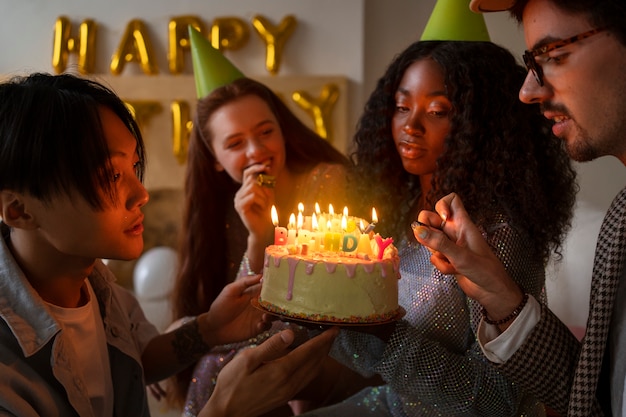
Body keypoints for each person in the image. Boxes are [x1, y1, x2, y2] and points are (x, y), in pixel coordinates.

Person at [0, 71, 339, 417]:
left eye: (134, 167)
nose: (141, 194)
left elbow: (136, 359)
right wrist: (223, 410)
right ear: (19, 210)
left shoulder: (94, 284)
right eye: (110, 176)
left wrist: (210, 327)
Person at [299, 37, 578, 416]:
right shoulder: (395, 214)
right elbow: (367, 358)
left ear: (481, 125)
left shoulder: (493, 235)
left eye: (437, 111)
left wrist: (386, 334)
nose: (410, 125)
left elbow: (499, 402)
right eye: (401, 106)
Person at [413, 0, 626, 415]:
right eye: (532, 62)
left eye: (554, 56)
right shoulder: (620, 221)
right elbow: (590, 400)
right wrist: (501, 297)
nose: (528, 91)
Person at [166, 31, 377, 416]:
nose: (256, 151)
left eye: (266, 132)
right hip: (257, 338)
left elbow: (310, 302)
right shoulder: (220, 209)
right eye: (235, 144)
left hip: (336, 345)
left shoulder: (326, 181)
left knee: (219, 367)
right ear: (213, 158)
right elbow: (230, 316)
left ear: (283, 130)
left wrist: (263, 236)